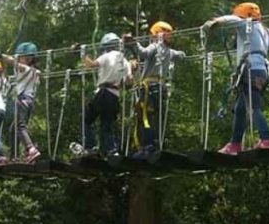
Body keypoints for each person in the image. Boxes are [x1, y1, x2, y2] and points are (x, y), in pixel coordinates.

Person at [203, 2, 269, 155]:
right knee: (240, 109)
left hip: (250, 70)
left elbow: (231, 19)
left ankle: (266, 139)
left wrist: (216, 22)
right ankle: (235, 144)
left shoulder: (245, 24)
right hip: (262, 72)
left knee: (253, 107)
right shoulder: (266, 31)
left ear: (245, 16)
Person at [124, 21, 187, 160]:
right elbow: (181, 55)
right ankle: (152, 145)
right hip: (160, 88)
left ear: (156, 35)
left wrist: (133, 43)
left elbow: (143, 53)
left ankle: (146, 146)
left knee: (144, 117)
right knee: (154, 117)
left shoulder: (154, 47)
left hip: (149, 88)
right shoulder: (170, 52)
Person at [72, 33, 132, 158]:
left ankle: (90, 146)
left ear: (106, 46)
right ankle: (112, 151)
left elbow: (91, 65)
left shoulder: (106, 56)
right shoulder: (125, 61)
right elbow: (128, 81)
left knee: (85, 119)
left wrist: (81, 53)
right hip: (115, 96)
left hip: (104, 93)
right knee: (107, 125)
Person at [1, 42, 41, 163]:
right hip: (29, 102)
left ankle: (31, 149)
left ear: (28, 59)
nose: (18, 59)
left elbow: (11, 61)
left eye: (21, 57)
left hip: (22, 101)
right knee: (13, 129)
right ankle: (14, 156)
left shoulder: (25, 68)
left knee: (20, 126)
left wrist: (0, 56)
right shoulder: (35, 71)